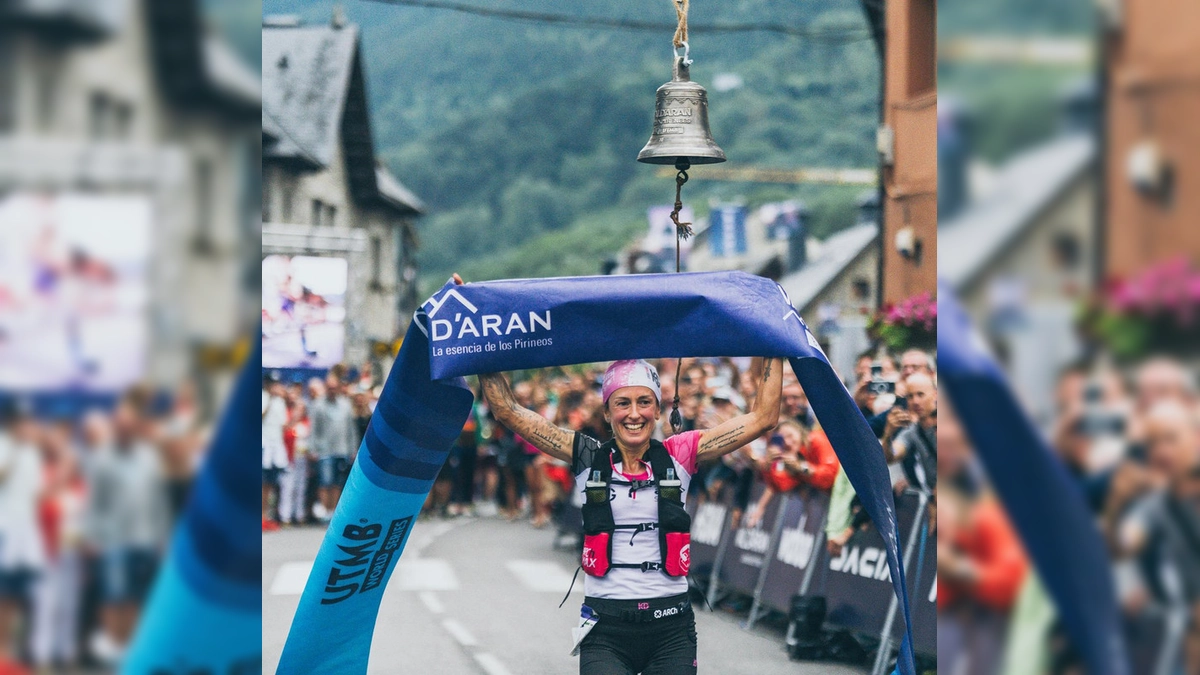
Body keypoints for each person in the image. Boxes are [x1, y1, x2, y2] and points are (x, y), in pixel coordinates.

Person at [480, 355, 782, 675]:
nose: (634, 414)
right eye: (623, 403)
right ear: (607, 412)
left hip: (671, 630)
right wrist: (481, 351)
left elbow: (763, 418)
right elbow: (507, 412)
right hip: (605, 630)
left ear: (657, 409)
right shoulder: (587, 454)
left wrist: (772, 347)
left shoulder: (680, 452)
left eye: (644, 402)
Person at [309, 373, 357, 521]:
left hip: (341, 449)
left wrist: (353, 449)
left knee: (337, 483)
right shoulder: (318, 405)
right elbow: (313, 429)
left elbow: (351, 429)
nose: (332, 390)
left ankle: (334, 512)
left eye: (334, 387)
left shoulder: (346, 405)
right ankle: (324, 512)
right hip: (324, 450)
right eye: (329, 388)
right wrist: (313, 449)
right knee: (325, 482)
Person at [884, 371, 937, 495]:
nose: (915, 401)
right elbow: (891, 456)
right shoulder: (913, 431)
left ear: (935, 395)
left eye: (920, 394)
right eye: (910, 396)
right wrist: (888, 434)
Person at [261, 376, 289, 530]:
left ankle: (266, 515)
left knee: (271, 484)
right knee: (262, 483)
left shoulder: (281, 402)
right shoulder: (262, 397)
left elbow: (284, 425)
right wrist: (270, 400)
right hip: (263, 445)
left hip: (276, 447)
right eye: (272, 383)